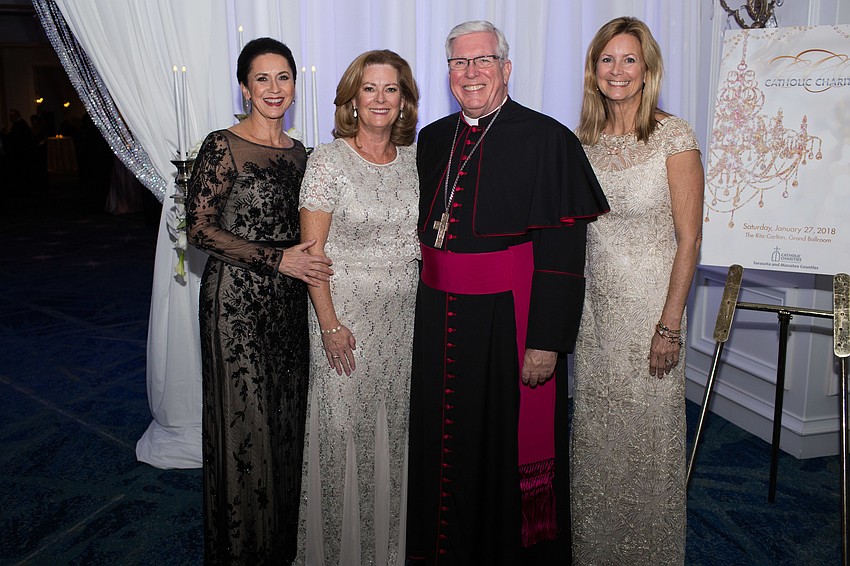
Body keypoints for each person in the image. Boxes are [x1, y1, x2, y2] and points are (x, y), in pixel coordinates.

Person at [407, 20, 609, 565]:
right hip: (438, 319)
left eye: (483, 62)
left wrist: (545, 342)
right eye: (459, 63)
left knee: (501, 449)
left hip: (508, 323)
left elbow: (564, 257)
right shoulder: (432, 139)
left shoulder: (548, 140)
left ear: (506, 68)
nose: (470, 74)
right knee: (444, 444)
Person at [186, 37, 333, 565]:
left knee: (286, 421)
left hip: (289, 308)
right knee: (245, 428)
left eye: (284, 77)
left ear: (294, 86)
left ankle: (280, 548)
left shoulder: (304, 155)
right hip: (235, 308)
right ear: (245, 87)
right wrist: (277, 260)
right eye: (262, 78)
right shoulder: (221, 146)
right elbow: (199, 230)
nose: (274, 88)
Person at [570, 17, 704, 565]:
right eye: (607, 60)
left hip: (652, 307)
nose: (618, 70)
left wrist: (669, 324)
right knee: (598, 440)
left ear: (647, 69)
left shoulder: (674, 136)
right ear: (594, 70)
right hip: (596, 311)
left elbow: (690, 238)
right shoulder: (585, 141)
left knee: (648, 442)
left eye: (629, 59)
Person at [296, 50, 420, 566]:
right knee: (341, 429)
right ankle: (337, 553)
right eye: (369, 89)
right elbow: (311, 255)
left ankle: (387, 551)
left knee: (394, 430)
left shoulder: (417, 161)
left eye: (390, 90)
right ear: (352, 97)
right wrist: (328, 324)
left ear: (404, 100)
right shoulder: (328, 160)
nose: (379, 100)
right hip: (343, 316)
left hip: (406, 319)